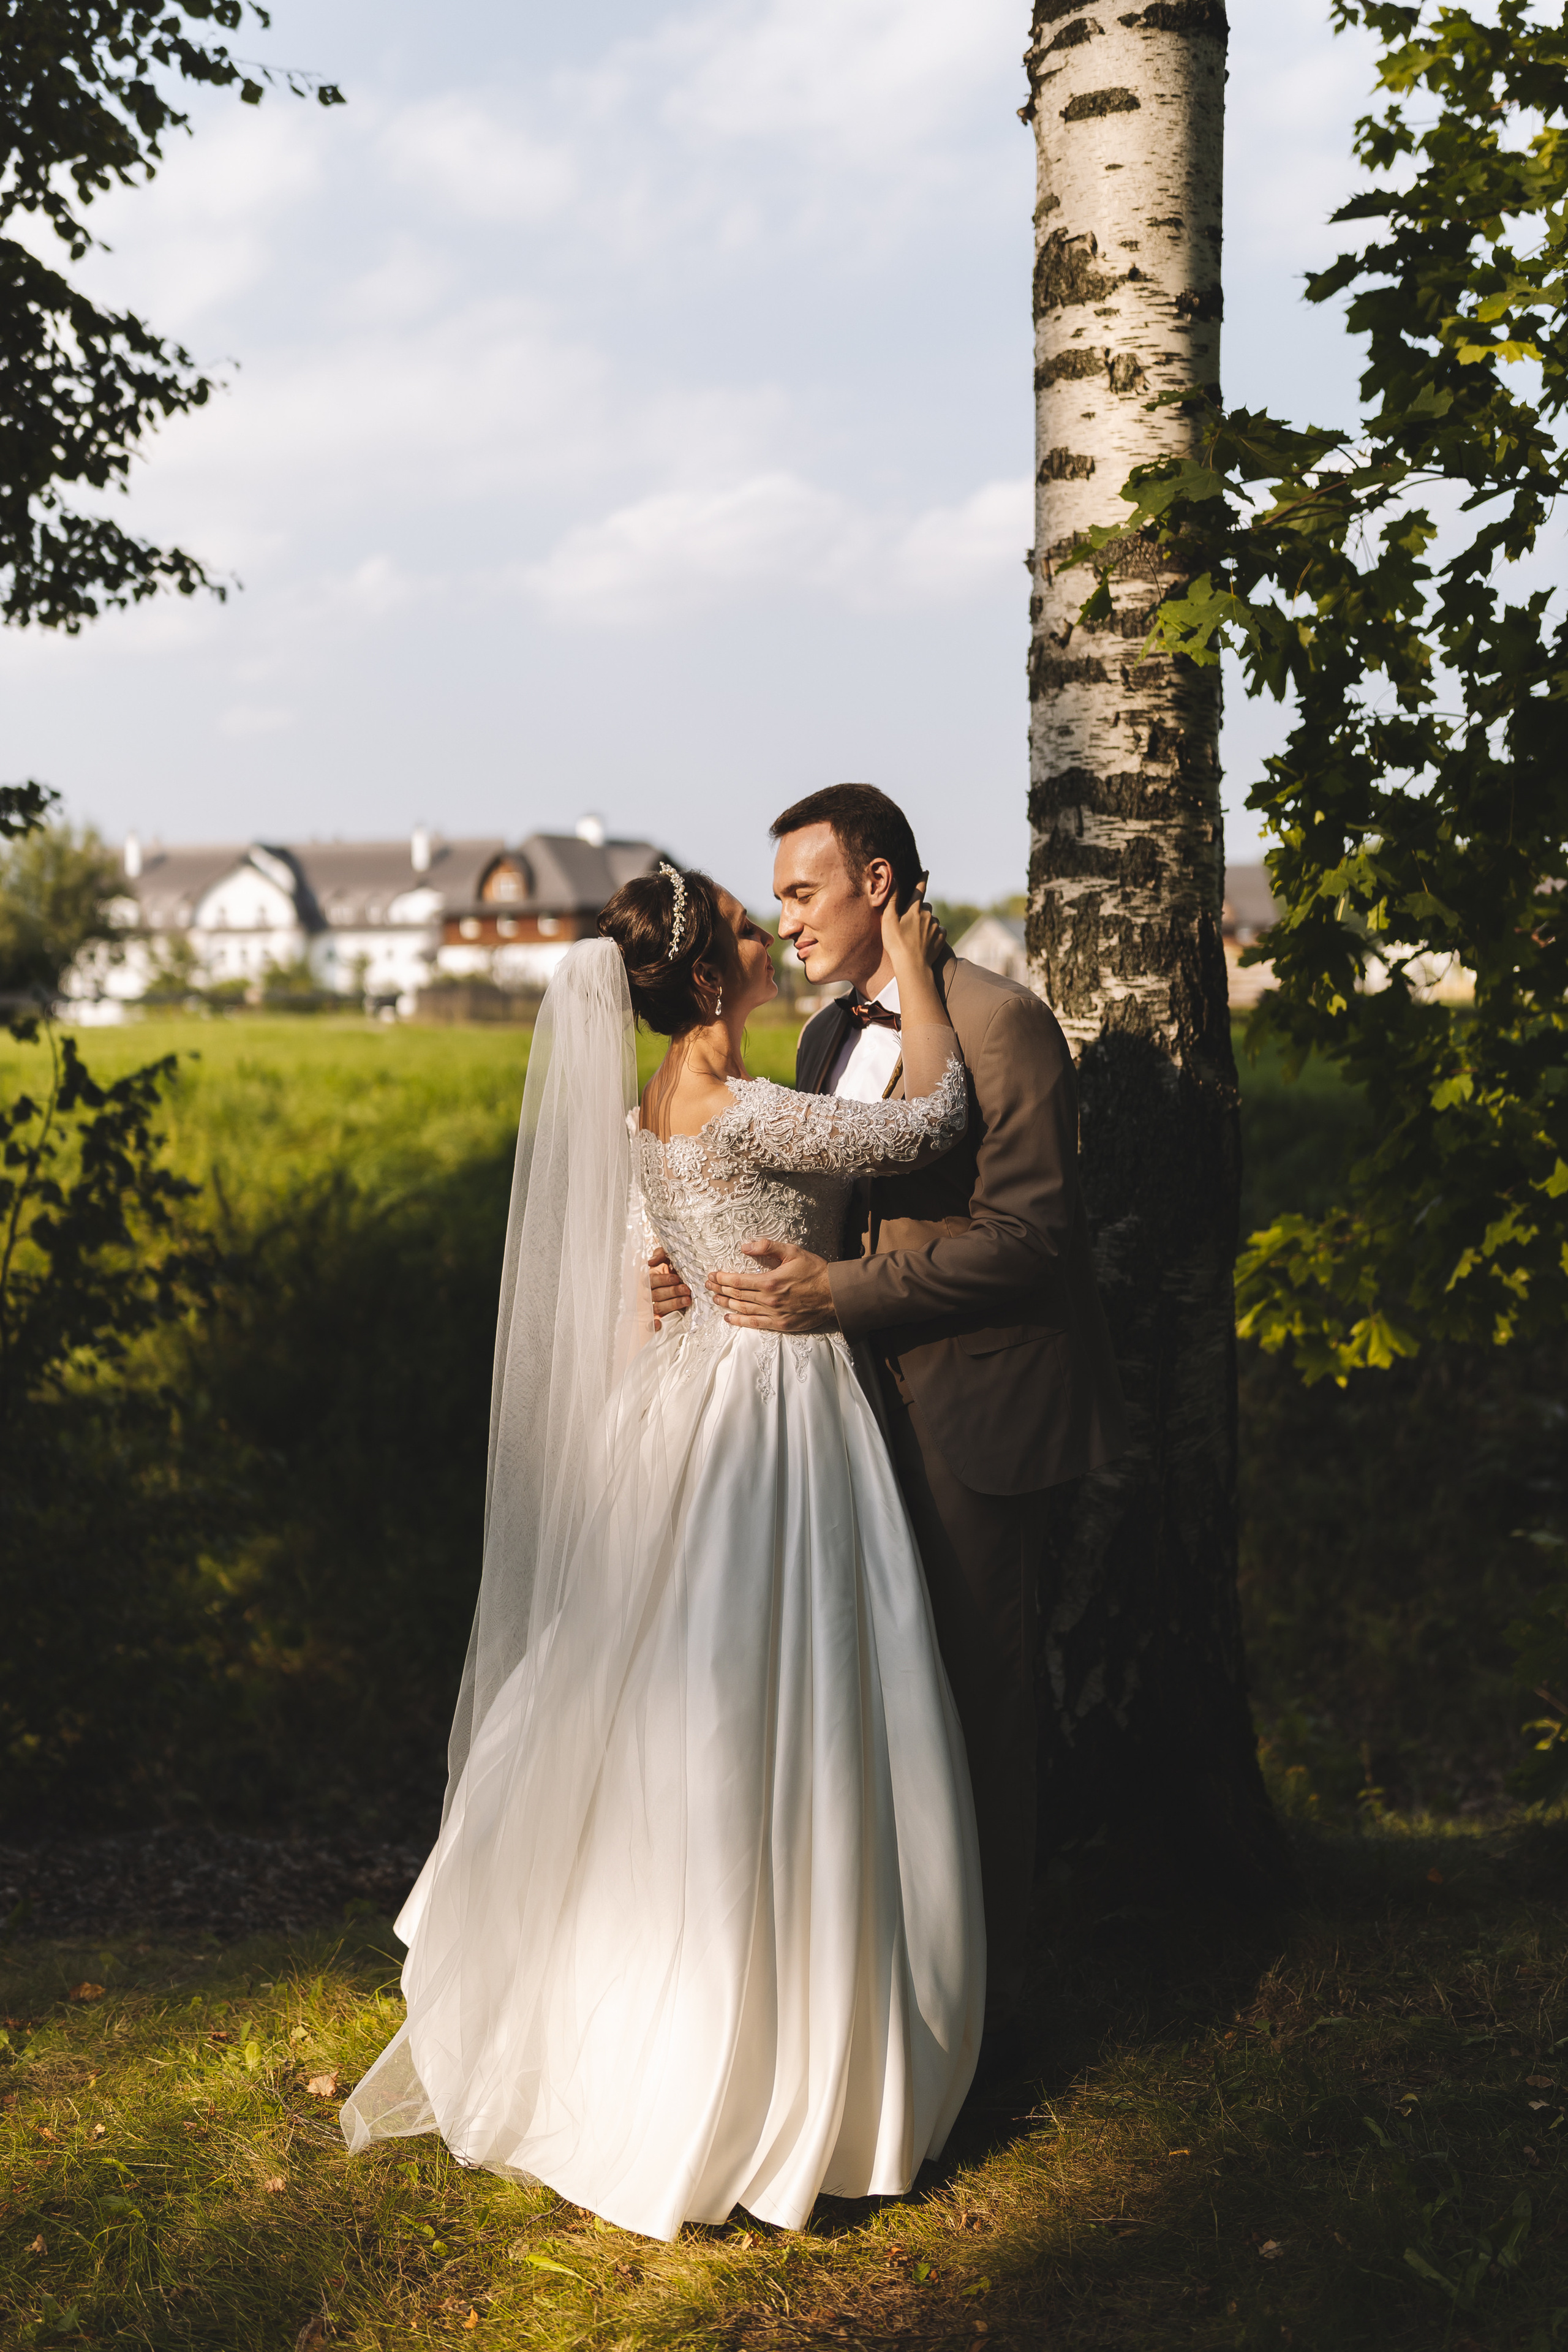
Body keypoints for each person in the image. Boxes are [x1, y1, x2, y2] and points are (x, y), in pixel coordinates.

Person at [341, 863, 985, 2242]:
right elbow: (933, 1116)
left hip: (689, 1397)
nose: (766, 939)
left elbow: (661, 1249)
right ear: (706, 982)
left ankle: (679, 2009)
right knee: (779, 1697)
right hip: (769, 1406)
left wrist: (669, 1276)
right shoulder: (745, 1107)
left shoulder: (648, 1115)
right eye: (747, 930)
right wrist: (919, 967)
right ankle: (764, 2047)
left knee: (675, 1699)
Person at [649, 786, 1127, 2065]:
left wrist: (833, 1297)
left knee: (974, 1709)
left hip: (974, 1410)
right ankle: (872, 2014)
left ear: (876, 882)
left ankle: (989, 2016)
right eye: (777, 902)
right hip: (837, 1427)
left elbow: (1030, 1241)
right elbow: (801, 1206)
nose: (789, 922)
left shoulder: (1003, 1025)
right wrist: (692, 1274)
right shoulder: (813, 1041)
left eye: (802, 894)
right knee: (867, 1707)